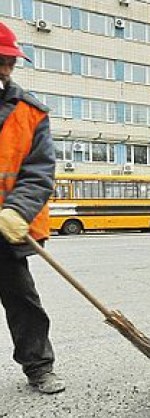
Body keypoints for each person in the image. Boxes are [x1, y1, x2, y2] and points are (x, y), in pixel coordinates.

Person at [0, 22, 64, 393]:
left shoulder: (30, 113)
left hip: (6, 228)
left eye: (10, 63)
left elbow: (39, 171)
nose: (6, 70)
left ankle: (39, 368)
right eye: (1, 61)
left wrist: (17, 211)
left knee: (24, 302)